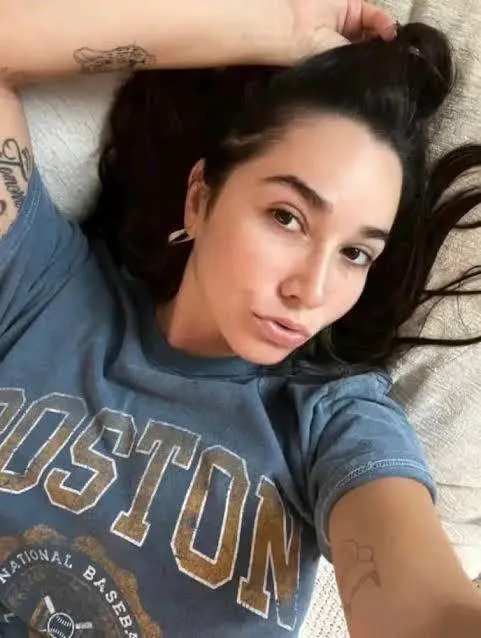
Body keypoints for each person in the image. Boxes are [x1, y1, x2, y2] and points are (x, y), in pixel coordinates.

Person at [0, 0, 481, 636]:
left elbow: (428, 613)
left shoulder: (332, 424)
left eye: (355, 254)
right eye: (287, 217)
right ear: (200, 198)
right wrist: (278, 29)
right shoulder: (45, 282)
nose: (311, 289)